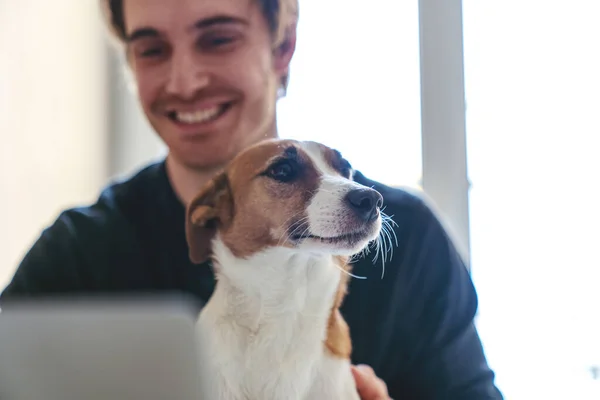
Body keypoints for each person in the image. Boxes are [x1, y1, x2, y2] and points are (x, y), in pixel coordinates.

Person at [0, 0, 504, 398]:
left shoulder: (408, 236)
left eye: (218, 39)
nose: (185, 81)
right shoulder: (76, 252)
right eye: (152, 49)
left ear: (282, 46)